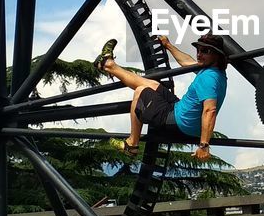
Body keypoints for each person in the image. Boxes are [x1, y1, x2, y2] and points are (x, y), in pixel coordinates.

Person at [95, 33, 228, 161]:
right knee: (152, 84)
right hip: (181, 111)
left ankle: (132, 144)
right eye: (198, 49)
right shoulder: (214, 71)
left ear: (217, 55)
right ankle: (108, 65)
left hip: (179, 124)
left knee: (141, 91)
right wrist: (168, 45)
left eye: (205, 51)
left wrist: (204, 145)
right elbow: (187, 62)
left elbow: (210, 110)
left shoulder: (208, 78)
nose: (199, 54)